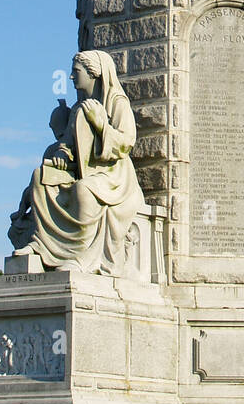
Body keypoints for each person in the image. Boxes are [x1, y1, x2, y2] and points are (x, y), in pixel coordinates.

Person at [8, 51, 144, 274]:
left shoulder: (117, 103)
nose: (71, 77)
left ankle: (81, 256)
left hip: (112, 174)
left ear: (94, 73)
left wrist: (101, 125)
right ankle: (40, 245)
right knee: (40, 178)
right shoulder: (79, 107)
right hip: (80, 168)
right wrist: (62, 155)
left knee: (83, 190)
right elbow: (67, 143)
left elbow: (126, 142)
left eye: (76, 71)